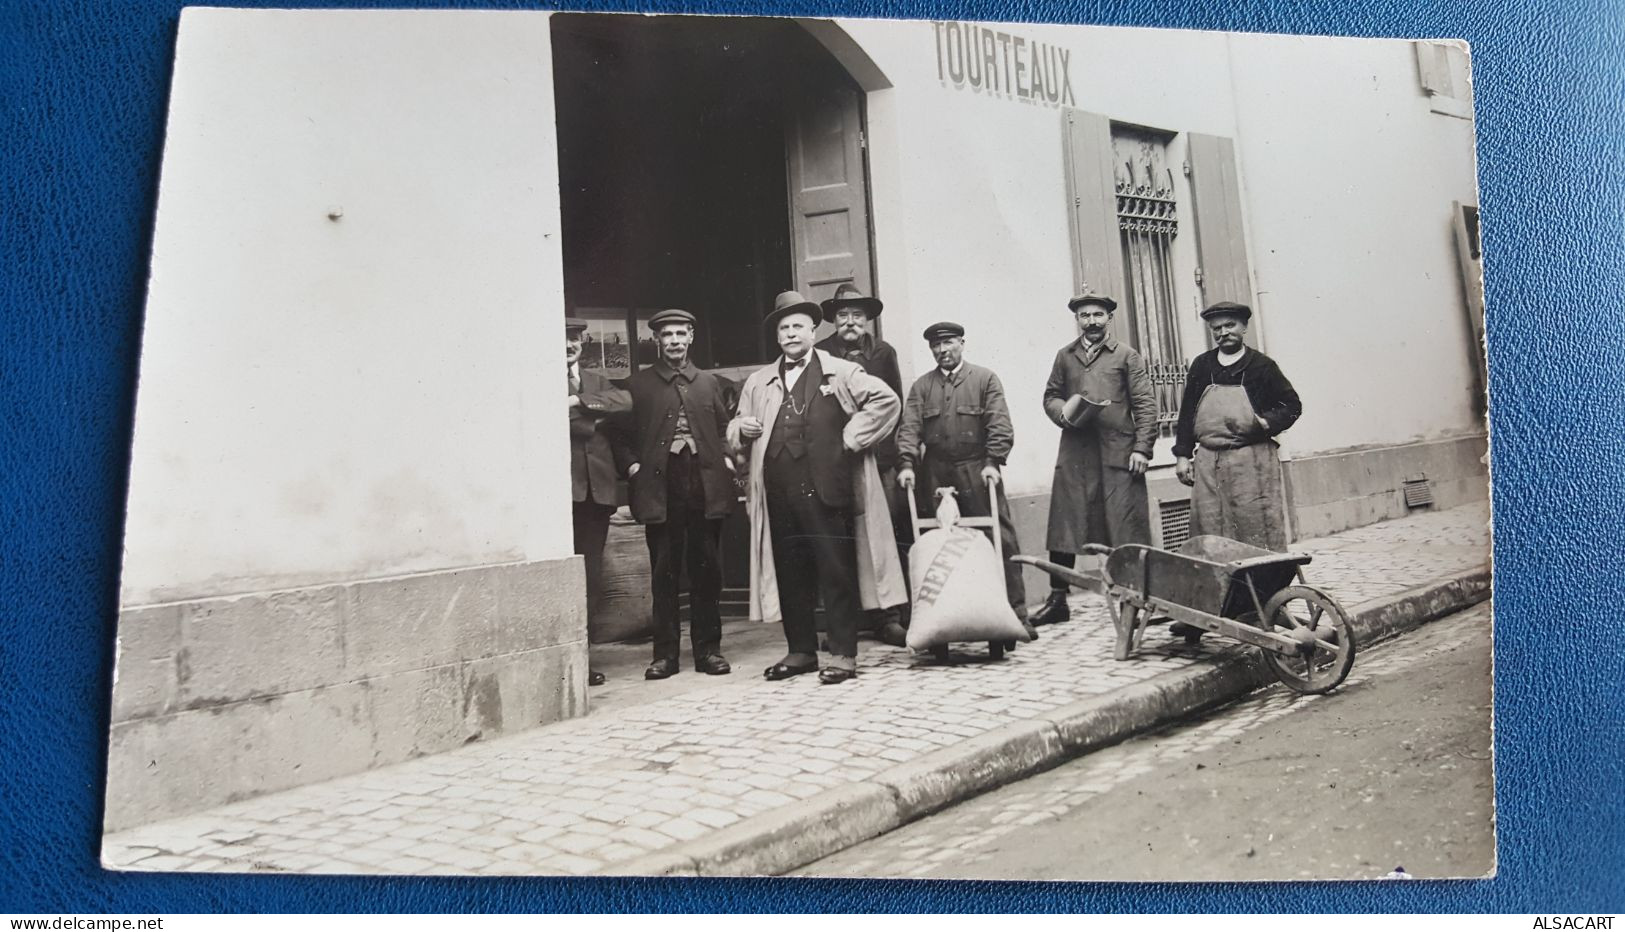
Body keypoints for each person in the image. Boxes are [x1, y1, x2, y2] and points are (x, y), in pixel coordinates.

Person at [726, 291, 906, 685]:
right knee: (791, 570)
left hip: (828, 486)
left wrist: (851, 438)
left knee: (835, 569)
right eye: (784, 327)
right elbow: (735, 426)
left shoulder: (840, 371)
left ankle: (842, 654)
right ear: (777, 337)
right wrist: (741, 429)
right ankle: (801, 650)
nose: (791, 333)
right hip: (778, 488)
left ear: (812, 331)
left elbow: (887, 400)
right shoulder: (759, 381)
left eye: (798, 326)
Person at [895, 322, 1037, 641]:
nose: (942, 350)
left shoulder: (985, 379)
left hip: (977, 469)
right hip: (935, 471)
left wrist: (993, 462)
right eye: (936, 346)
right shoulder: (921, 387)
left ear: (962, 343)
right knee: (934, 540)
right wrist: (906, 464)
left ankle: (1016, 614)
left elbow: (999, 421)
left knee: (998, 535)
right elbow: (909, 428)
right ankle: (937, 617)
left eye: (948, 343)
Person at [1030, 293, 1158, 628]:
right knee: (1065, 523)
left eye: (1098, 315)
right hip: (1077, 453)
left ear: (1109, 318)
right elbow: (1050, 396)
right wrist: (1063, 412)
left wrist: (1142, 449)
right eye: (1085, 316)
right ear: (1077, 320)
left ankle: (1139, 598)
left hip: (1118, 453)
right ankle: (1058, 600)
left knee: (1126, 526)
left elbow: (1145, 405)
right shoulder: (1065, 356)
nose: (1091, 321)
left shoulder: (1127, 356)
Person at [624, 309, 735, 680]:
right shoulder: (639, 384)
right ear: (657, 340)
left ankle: (709, 651)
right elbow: (619, 435)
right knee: (664, 572)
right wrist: (633, 466)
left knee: (707, 570)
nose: (673, 340)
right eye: (666, 334)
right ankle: (665, 655)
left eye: (679, 334)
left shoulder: (708, 382)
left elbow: (722, 428)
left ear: (691, 337)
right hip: (661, 485)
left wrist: (729, 459)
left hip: (703, 483)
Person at [815, 283, 909, 648]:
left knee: (882, 539)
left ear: (867, 320)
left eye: (857, 316)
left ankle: (889, 618)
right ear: (834, 322)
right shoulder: (821, 353)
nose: (850, 322)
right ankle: (844, 620)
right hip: (831, 459)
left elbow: (894, 402)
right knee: (836, 535)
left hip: (875, 458)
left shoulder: (884, 353)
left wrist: (879, 446)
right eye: (843, 316)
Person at [1172, 301, 1302, 551]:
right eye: (1216, 328)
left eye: (1230, 325)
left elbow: (1292, 405)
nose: (1223, 332)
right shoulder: (1202, 365)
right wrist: (1182, 456)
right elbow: (1187, 412)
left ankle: (1262, 585)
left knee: (1256, 527)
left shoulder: (1262, 366)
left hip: (1252, 462)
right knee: (1210, 528)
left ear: (1244, 327)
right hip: (1209, 463)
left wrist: (1266, 421)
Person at [565, 317, 633, 686]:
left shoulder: (596, 381)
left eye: (574, 339)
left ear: (583, 343)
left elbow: (624, 402)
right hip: (563, 495)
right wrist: (596, 421)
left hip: (597, 495)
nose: (568, 345)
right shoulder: (538, 377)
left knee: (591, 578)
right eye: (561, 339)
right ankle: (566, 659)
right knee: (566, 580)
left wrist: (579, 401)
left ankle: (583, 660)